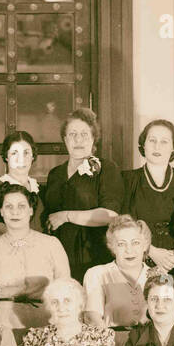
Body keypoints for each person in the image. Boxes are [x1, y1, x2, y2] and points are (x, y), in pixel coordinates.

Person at [42, 109, 124, 281]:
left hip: (94, 254)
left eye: (84, 134)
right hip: (57, 256)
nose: (78, 140)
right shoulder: (55, 174)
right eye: (72, 134)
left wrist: (66, 216)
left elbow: (110, 215)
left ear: (94, 138)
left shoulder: (107, 169)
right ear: (65, 139)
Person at [0, 184, 70, 330]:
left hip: (46, 322)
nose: (15, 212)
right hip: (4, 323)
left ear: (31, 210)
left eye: (21, 206)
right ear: (1, 212)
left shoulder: (51, 244)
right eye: (9, 206)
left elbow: (65, 288)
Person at [122, 118, 174, 273]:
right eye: (152, 140)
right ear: (143, 145)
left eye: (164, 142)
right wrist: (150, 251)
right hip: (139, 262)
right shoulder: (127, 180)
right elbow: (121, 225)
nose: (157, 146)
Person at [82, 215, 156, 331]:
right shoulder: (97, 274)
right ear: (112, 247)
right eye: (121, 244)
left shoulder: (159, 276)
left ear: (145, 245)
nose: (129, 250)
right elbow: (92, 317)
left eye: (135, 243)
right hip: (112, 341)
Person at [0, 131, 46, 239]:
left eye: (26, 153)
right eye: (14, 153)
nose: (21, 159)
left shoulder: (41, 190)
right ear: (6, 156)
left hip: (41, 253)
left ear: (33, 156)